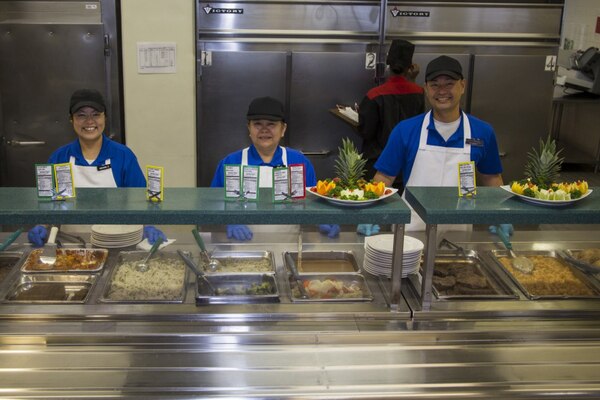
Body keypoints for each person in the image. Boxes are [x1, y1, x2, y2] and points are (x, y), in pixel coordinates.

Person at [367, 55, 511, 236]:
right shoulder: (405, 130)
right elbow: (384, 177)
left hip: (460, 232)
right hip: (411, 232)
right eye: (435, 84)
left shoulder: (482, 132)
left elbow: (491, 178)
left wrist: (502, 214)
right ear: (426, 89)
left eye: (449, 84)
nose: (441, 91)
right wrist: (370, 214)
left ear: (463, 86)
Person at [28, 89, 165, 247]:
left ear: (105, 118)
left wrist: (148, 225)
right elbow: (48, 204)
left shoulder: (123, 156)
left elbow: (141, 200)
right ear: (71, 120)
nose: (89, 121)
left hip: (117, 243)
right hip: (71, 245)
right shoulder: (59, 157)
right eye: (81, 115)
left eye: (96, 114)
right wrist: (42, 225)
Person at [211, 96, 339, 240]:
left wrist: (323, 218)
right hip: (241, 250)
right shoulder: (230, 162)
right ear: (249, 128)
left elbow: (313, 203)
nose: (264, 130)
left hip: (288, 248)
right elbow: (213, 205)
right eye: (257, 124)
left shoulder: (299, 162)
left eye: (271, 124)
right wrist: (229, 221)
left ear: (283, 129)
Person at [357, 39, 425, 189]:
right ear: (410, 67)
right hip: (409, 166)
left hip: (378, 167)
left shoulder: (374, 95)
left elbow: (366, 131)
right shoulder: (420, 93)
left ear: (388, 66)